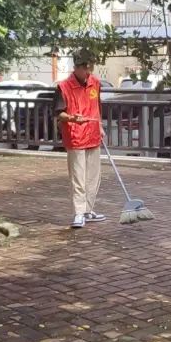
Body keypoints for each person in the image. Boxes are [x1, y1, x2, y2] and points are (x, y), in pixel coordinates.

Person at [54, 51, 105, 229]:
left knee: (93, 177)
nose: (88, 72)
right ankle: (79, 212)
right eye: (85, 68)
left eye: (90, 68)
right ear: (76, 67)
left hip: (93, 134)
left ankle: (88, 210)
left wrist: (100, 126)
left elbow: (97, 107)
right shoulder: (63, 87)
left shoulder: (95, 83)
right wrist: (72, 118)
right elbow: (59, 113)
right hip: (75, 136)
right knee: (78, 177)